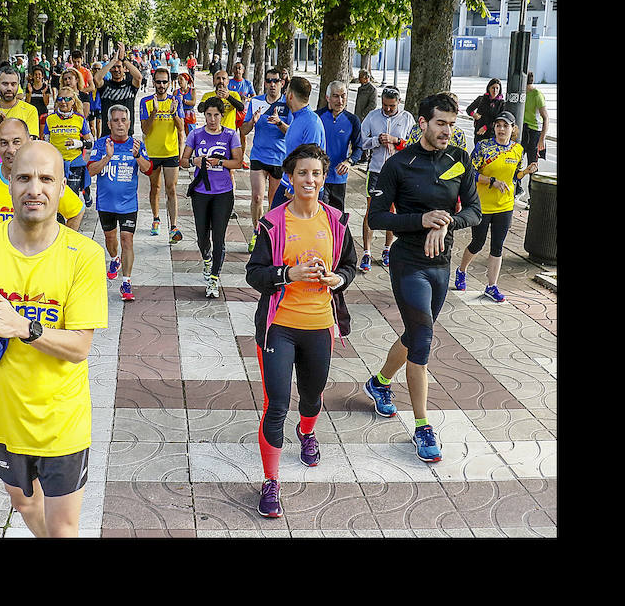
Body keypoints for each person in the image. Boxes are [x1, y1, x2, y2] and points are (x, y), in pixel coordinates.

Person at [0, 140, 108, 538]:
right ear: (10, 184)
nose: (34, 188)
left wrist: (23, 327)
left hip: (62, 420)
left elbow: (80, 348)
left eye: (45, 178)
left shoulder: (83, 255)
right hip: (4, 416)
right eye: (24, 177)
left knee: (64, 527)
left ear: (60, 189)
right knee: (23, 503)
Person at [363, 93, 481, 463]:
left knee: (415, 333)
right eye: (440, 123)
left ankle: (379, 382)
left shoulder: (459, 159)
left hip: (441, 264)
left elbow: (475, 212)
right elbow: (378, 217)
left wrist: (446, 220)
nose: (447, 130)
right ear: (423, 123)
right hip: (408, 262)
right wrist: (420, 220)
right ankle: (422, 426)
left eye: (451, 123)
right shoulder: (400, 163)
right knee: (424, 337)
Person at [245, 143, 358, 518]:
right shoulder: (273, 223)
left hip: (319, 327)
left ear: (324, 178)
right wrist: (287, 275)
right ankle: (271, 481)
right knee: (275, 405)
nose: (309, 180)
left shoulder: (337, 221)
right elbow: (254, 274)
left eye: (316, 173)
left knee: (312, 397)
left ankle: (307, 432)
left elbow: (349, 267)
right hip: (279, 328)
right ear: (290, 179)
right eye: (302, 173)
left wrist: (336, 278)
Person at [454, 111, 537, 302]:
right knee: (478, 243)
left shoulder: (517, 149)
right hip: (482, 205)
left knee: (497, 247)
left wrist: (526, 171)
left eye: (505, 126)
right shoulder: (484, 147)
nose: (501, 129)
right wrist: (492, 181)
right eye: (498, 125)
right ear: (494, 128)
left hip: (505, 206)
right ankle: (461, 270)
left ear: (512, 129)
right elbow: (471, 172)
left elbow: (515, 176)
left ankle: (491, 287)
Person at [0, 117, 85, 238]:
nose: (11, 149)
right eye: (4, 143)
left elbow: (76, 211)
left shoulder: (46, 181)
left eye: (16, 142)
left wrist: (61, 247)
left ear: (29, 141)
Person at [87, 105, 153, 301]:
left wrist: (137, 156)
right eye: (115, 120)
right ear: (109, 124)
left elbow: (149, 170)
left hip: (128, 204)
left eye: (123, 120)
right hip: (106, 204)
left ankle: (126, 282)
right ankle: (115, 259)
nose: (120, 124)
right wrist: (107, 156)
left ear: (129, 122)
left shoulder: (136, 144)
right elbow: (90, 171)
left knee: (127, 240)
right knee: (110, 240)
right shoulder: (101, 144)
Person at [180, 97, 243, 298]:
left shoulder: (230, 135)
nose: (212, 119)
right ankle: (207, 259)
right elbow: (182, 161)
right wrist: (194, 161)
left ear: (222, 115)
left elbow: (238, 162)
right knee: (201, 235)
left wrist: (221, 162)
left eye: (216, 115)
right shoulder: (196, 134)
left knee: (219, 237)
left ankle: (214, 278)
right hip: (201, 193)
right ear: (204, 115)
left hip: (223, 193)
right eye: (209, 114)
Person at [357, 85, 416, 271]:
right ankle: (366, 252)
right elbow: (361, 142)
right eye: (385, 105)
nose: (388, 109)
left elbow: (414, 145)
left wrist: (396, 141)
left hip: (398, 173)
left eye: (391, 106)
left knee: (391, 212)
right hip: (375, 171)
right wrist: (377, 140)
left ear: (398, 102)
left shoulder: (407, 118)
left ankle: (387, 249)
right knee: (371, 212)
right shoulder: (373, 117)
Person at [241, 69, 292, 251]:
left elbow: (292, 132)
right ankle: (256, 233)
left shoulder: (288, 103)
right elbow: (244, 130)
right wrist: (252, 121)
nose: (272, 84)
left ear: (282, 83)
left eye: (276, 81)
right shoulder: (256, 101)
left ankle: (270, 236)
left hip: (280, 158)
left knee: (274, 202)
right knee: (256, 197)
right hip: (259, 156)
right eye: (269, 81)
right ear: (265, 83)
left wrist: (279, 122)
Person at [140, 66, 186, 243]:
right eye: (158, 81)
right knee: (155, 188)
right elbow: (145, 129)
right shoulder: (146, 102)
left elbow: (181, 128)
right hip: (152, 152)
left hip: (171, 151)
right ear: (153, 82)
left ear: (169, 83)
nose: (161, 85)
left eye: (164, 82)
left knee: (171, 188)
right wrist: (154, 113)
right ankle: (156, 218)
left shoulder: (176, 101)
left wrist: (174, 113)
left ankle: (174, 226)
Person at [269, 77, 326, 210]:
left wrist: (294, 189)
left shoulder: (312, 123)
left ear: (290, 95)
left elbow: (312, 160)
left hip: (302, 187)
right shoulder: (297, 118)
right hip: (289, 180)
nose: (284, 94)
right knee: (273, 223)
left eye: (286, 90)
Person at [314, 80, 363, 212]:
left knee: (337, 217)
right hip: (318, 176)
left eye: (343, 96)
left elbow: (359, 148)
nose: (340, 101)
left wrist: (349, 162)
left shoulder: (352, 120)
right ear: (327, 97)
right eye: (336, 96)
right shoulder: (317, 117)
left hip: (339, 178)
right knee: (319, 215)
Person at [43, 87, 94, 205]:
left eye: (67, 99)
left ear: (73, 101)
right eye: (60, 99)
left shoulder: (79, 119)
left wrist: (77, 144)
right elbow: (45, 142)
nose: (63, 102)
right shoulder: (50, 119)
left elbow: (90, 143)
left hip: (74, 163)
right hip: (56, 163)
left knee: (71, 195)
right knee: (56, 195)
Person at [94, 42, 143, 137]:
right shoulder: (105, 86)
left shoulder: (130, 86)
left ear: (124, 69)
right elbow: (96, 78)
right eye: (113, 68)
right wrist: (113, 61)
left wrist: (123, 59)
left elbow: (139, 77)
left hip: (127, 135)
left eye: (119, 67)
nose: (116, 70)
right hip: (108, 134)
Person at [0, 67, 40, 138]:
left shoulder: (30, 111)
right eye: (5, 84)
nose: (9, 88)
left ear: (18, 85)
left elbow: (30, 144)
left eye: (13, 84)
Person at [520, 71, 548, 204]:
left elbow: (546, 118)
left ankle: (533, 199)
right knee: (516, 162)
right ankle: (517, 190)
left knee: (533, 166)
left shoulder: (537, 95)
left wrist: (542, 139)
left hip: (534, 132)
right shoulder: (521, 94)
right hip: (522, 131)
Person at [466, 78, 504, 144]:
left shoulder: (501, 103)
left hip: (492, 134)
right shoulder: (481, 99)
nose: (495, 91)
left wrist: (486, 127)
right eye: (493, 88)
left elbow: (498, 120)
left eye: (497, 88)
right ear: (488, 88)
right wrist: (474, 114)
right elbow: (469, 109)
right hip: (479, 133)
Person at [354, 69, 377, 166]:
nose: (359, 79)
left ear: (366, 78)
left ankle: (365, 156)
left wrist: (364, 114)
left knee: (366, 136)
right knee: (359, 136)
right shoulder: (360, 88)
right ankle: (362, 155)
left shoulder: (372, 89)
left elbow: (373, 104)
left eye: (361, 77)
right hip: (358, 115)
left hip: (365, 117)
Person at [25, 66, 52, 136]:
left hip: (42, 113)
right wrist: (30, 92)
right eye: (36, 74)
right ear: (33, 76)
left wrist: (43, 93)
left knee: (42, 135)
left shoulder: (45, 87)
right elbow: (27, 102)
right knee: (33, 134)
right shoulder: (29, 86)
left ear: (42, 76)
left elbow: (46, 103)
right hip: (32, 114)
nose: (37, 76)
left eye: (39, 74)